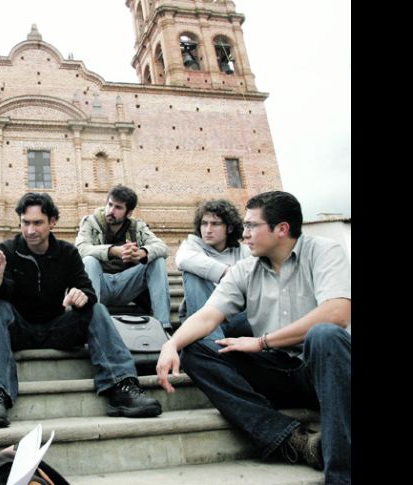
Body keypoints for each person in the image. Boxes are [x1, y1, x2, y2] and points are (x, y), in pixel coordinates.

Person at [156, 191, 351, 485]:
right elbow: (208, 315)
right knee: (196, 350)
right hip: (280, 371)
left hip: (325, 368)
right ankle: (293, 441)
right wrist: (171, 344)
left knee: (325, 335)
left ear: (281, 229)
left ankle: (341, 477)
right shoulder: (246, 268)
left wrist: (262, 342)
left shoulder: (324, 251)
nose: (244, 234)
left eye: (251, 226)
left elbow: (336, 313)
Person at [0, 192, 161, 429]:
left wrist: (81, 296)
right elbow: (3, 295)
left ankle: (122, 386)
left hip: (57, 328)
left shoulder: (67, 252)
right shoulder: (8, 250)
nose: (30, 230)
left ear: (52, 222)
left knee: (98, 309)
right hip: (19, 330)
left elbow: (88, 290)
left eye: (37, 223)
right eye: (25, 222)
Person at [75, 184, 172, 330]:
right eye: (110, 205)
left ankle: (163, 326)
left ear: (129, 212)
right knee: (89, 260)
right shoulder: (90, 222)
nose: (111, 211)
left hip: (128, 284)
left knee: (157, 259)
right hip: (100, 284)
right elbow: (80, 249)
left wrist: (142, 253)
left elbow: (163, 247)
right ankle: (91, 324)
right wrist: (113, 251)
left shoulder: (137, 226)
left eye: (118, 208)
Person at [175, 199, 252, 339]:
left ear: (229, 228)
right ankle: (209, 341)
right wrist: (226, 273)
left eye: (215, 224)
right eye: (204, 223)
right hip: (200, 318)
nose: (208, 230)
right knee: (192, 272)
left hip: (234, 318)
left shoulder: (243, 252)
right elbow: (183, 259)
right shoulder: (192, 245)